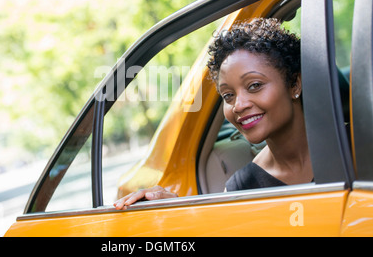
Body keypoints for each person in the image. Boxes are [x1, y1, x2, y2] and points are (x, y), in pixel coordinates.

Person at [113, 18, 313, 210]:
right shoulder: (241, 189)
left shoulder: (345, 145)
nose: (238, 105)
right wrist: (178, 211)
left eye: (254, 85)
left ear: (295, 84)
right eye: (228, 95)